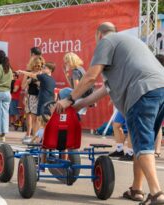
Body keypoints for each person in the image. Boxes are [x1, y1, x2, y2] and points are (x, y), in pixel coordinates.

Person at [55, 22, 164, 204]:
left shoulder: (107, 42)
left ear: (99, 34)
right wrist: (78, 105)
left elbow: (90, 77)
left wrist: (69, 99)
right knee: (141, 143)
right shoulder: (129, 45)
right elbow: (103, 90)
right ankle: (136, 189)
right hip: (160, 88)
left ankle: (157, 193)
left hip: (142, 91)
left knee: (143, 143)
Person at [18, 62, 56, 144]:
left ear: (50, 70)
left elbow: (32, 75)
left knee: (39, 121)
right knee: (45, 122)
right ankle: (42, 139)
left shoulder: (44, 76)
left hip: (43, 102)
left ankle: (36, 140)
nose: (42, 68)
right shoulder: (52, 79)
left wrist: (22, 72)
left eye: (44, 67)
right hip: (50, 103)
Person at [21, 57, 44, 143]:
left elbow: (45, 86)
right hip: (29, 97)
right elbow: (23, 86)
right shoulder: (28, 73)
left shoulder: (42, 74)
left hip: (37, 97)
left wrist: (38, 83)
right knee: (28, 116)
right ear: (32, 65)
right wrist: (28, 81)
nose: (37, 67)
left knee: (35, 118)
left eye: (39, 66)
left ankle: (35, 137)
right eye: (35, 66)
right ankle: (28, 134)